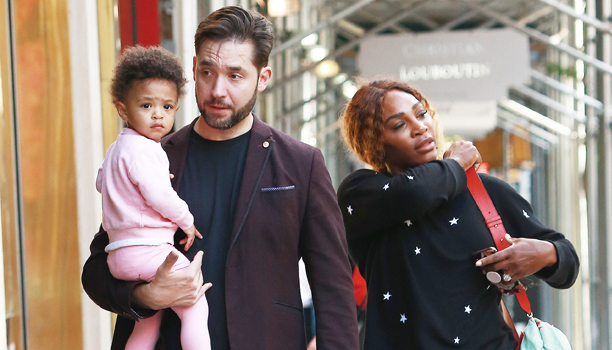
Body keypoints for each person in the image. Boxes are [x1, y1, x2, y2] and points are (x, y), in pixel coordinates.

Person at [82, 6, 359, 350]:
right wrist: (147, 295)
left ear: (263, 77)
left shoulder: (301, 164)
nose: (217, 90)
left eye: (235, 75)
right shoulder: (151, 157)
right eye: (208, 72)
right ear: (195, 69)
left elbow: (333, 285)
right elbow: (96, 270)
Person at [337, 79, 580, 349]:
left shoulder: (483, 191)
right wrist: (455, 163)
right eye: (400, 125)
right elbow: (416, 193)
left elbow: (568, 262)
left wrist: (544, 254)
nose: (420, 127)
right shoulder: (362, 194)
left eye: (421, 113)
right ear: (373, 142)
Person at [97, 45, 211, 350]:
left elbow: (101, 182)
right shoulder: (145, 149)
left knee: (148, 322)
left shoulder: (117, 148)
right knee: (195, 306)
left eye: (167, 107)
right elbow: (161, 197)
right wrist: (187, 221)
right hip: (148, 252)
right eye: (146, 106)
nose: (158, 115)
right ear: (123, 110)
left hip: (119, 255)